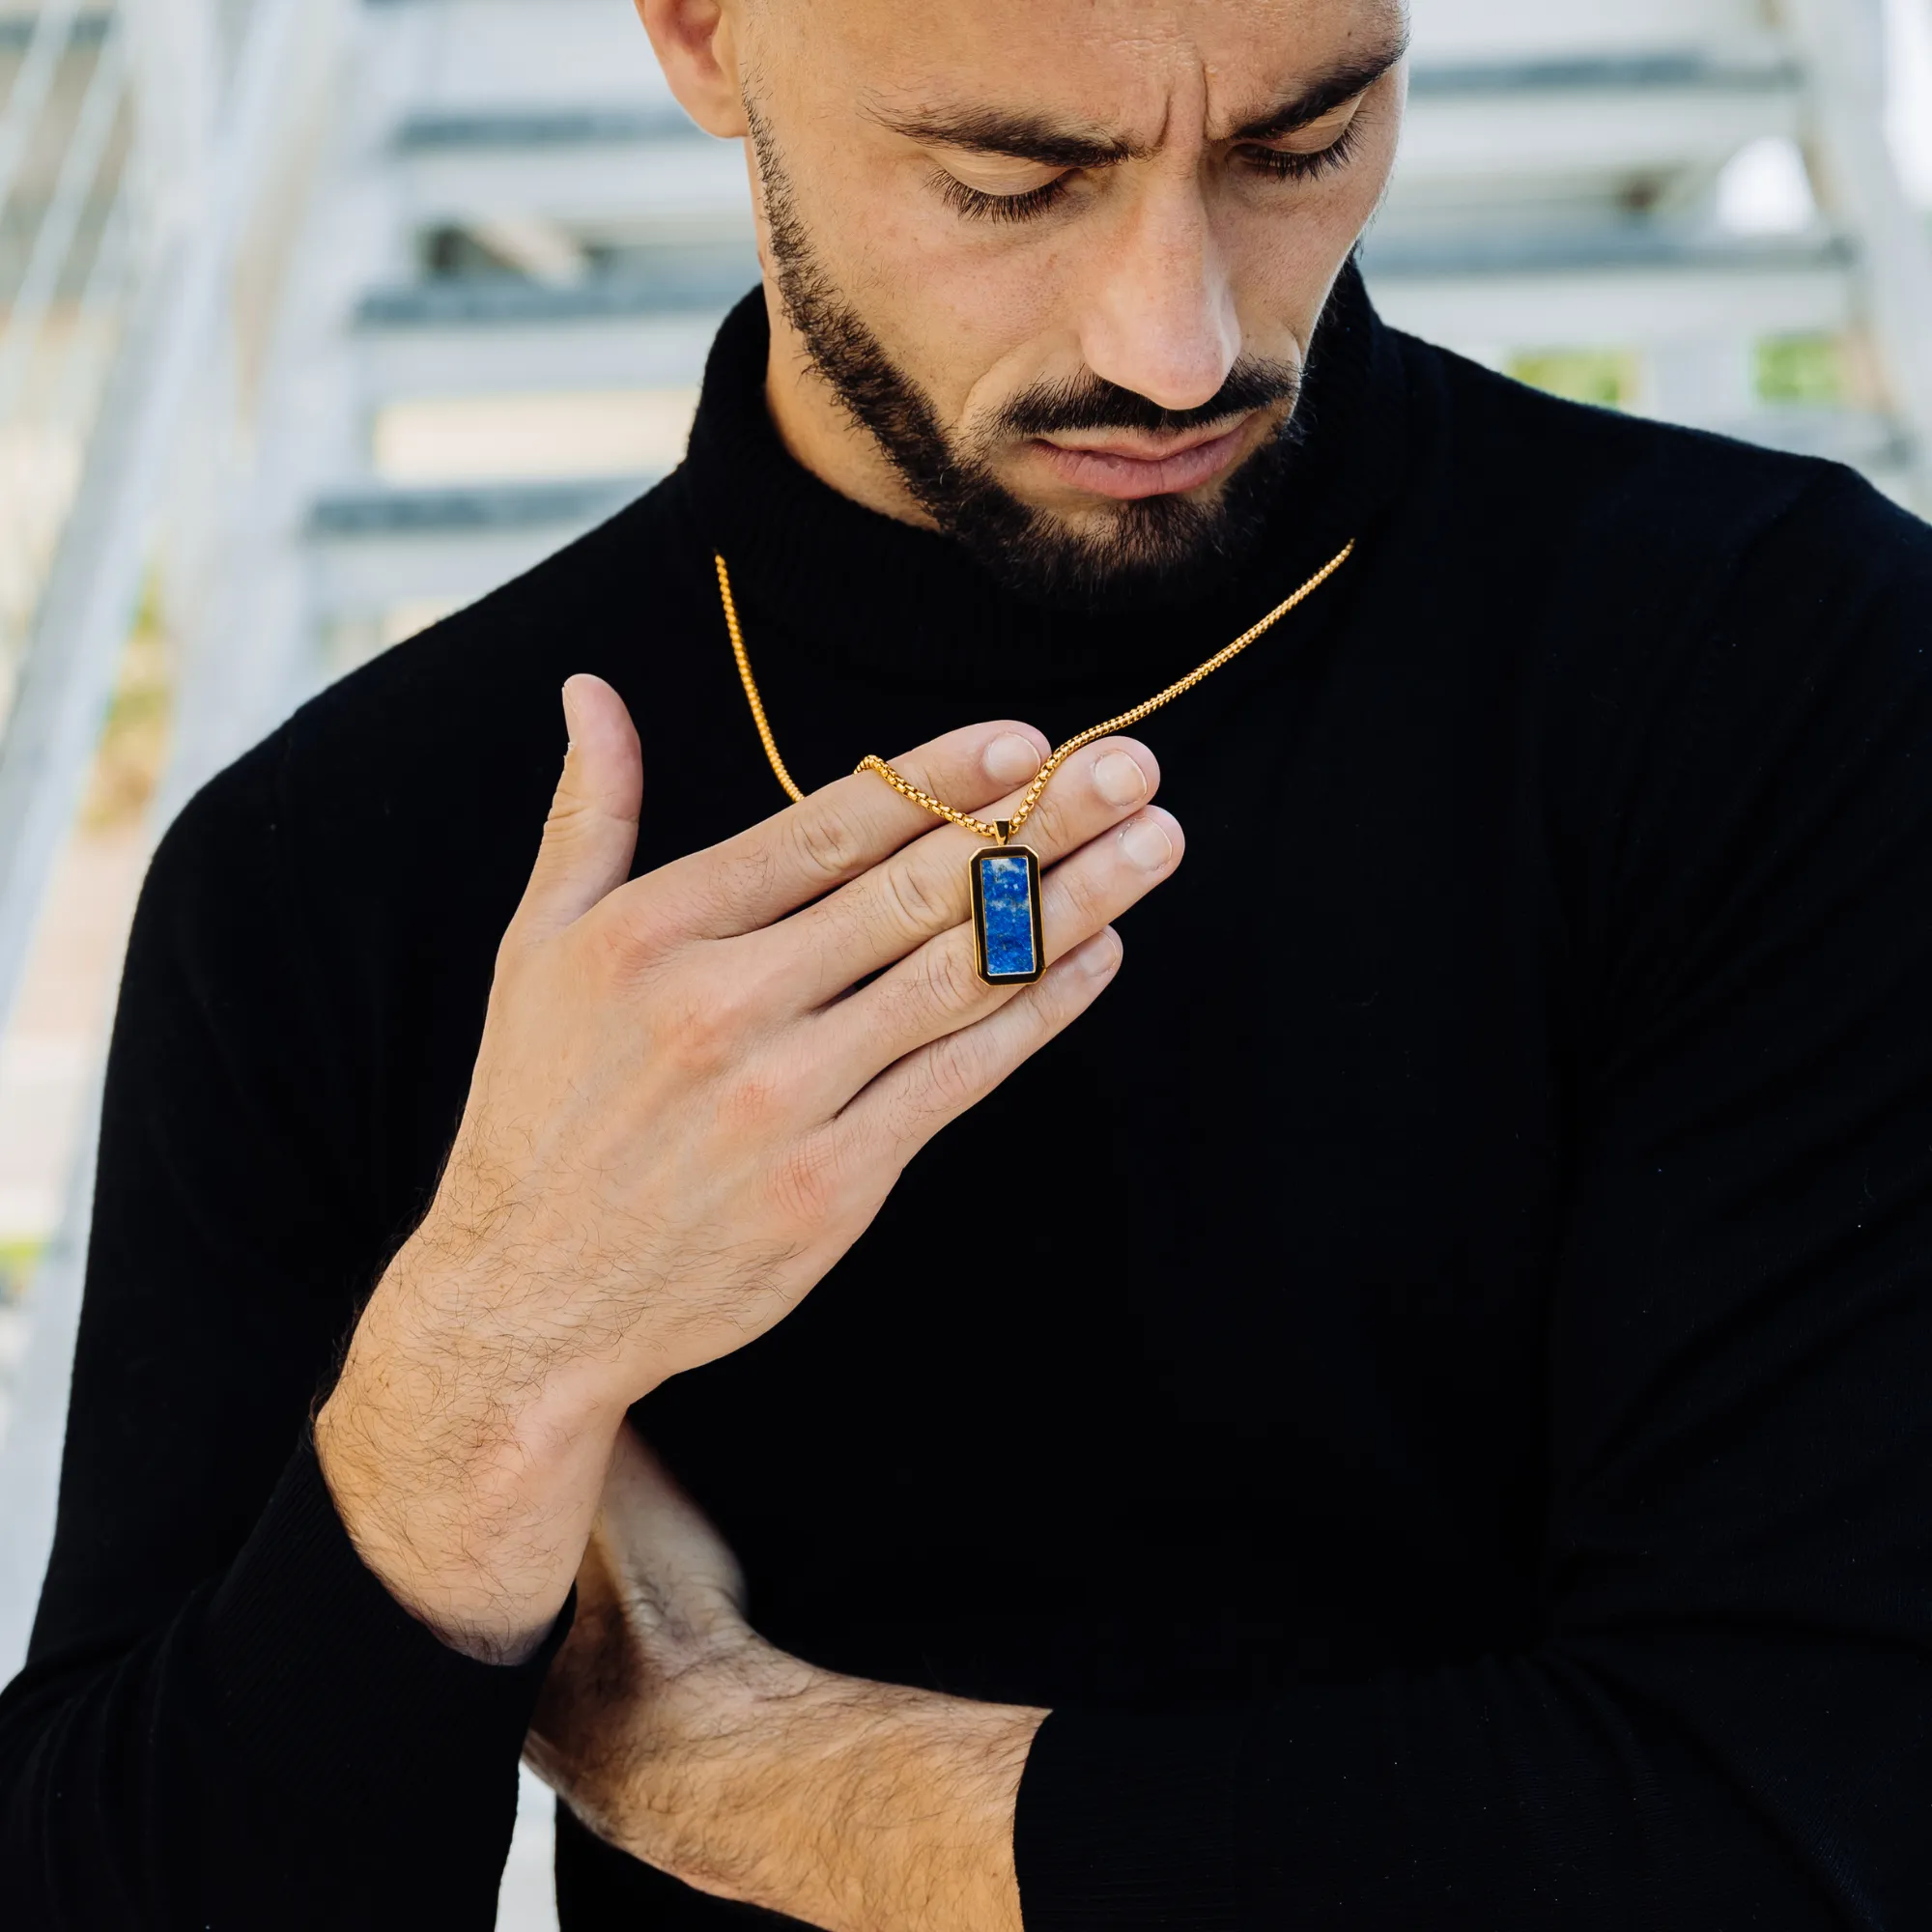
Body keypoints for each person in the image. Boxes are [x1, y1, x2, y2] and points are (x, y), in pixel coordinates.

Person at [6, 0, 1932, 1922]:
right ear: (696, 34)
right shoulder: (347, 861)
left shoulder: (1766, 675)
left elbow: (1801, 1818)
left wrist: (746, 1773)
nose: (1174, 342)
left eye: (1302, 143)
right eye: (1010, 180)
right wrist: (498, 1345)